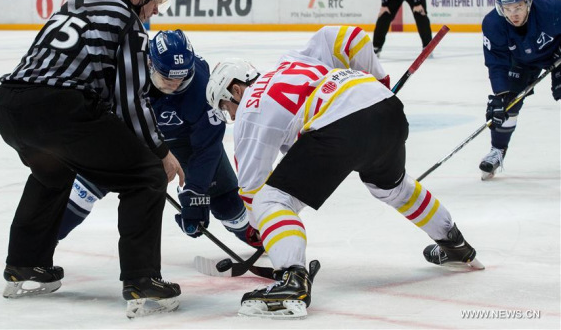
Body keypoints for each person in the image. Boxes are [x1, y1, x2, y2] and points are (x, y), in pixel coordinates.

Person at [205, 25, 483, 319]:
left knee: (270, 202)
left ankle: (292, 280)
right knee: (392, 188)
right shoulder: (293, 61)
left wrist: (262, 232)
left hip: (340, 126)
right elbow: (347, 38)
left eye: (225, 107)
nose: (231, 115)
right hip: (385, 106)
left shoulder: (250, 105)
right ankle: (454, 243)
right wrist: (380, 80)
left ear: (236, 89)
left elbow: (251, 189)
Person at [0, 0, 184, 318]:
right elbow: (130, 103)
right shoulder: (127, 20)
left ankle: (25, 263)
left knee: (53, 171)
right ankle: (142, 280)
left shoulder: (75, 3)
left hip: (8, 105)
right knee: (144, 176)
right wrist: (161, 153)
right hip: (58, 109)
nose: (157, 9)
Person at [58, 30, 262, 248]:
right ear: (150, 64)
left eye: (181, 77)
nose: (174, 85)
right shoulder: (126, 72)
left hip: (186, 144)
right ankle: (40, 245)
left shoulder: (202, 87)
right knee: (83, 190)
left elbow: (208, 148)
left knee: (226, 204)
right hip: (131, 137)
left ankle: (265, 240)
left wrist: (196, 193)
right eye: (167, 79)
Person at [480, 0, 561, 180]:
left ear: (528, 1)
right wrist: (501, 93)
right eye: (507, 9)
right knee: (507, 105)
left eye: (517, 7)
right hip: (520, 61)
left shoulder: (552, 10)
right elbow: (496, 62)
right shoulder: (492, 23)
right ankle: (497, 150)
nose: (513, 14)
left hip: (555, 54)